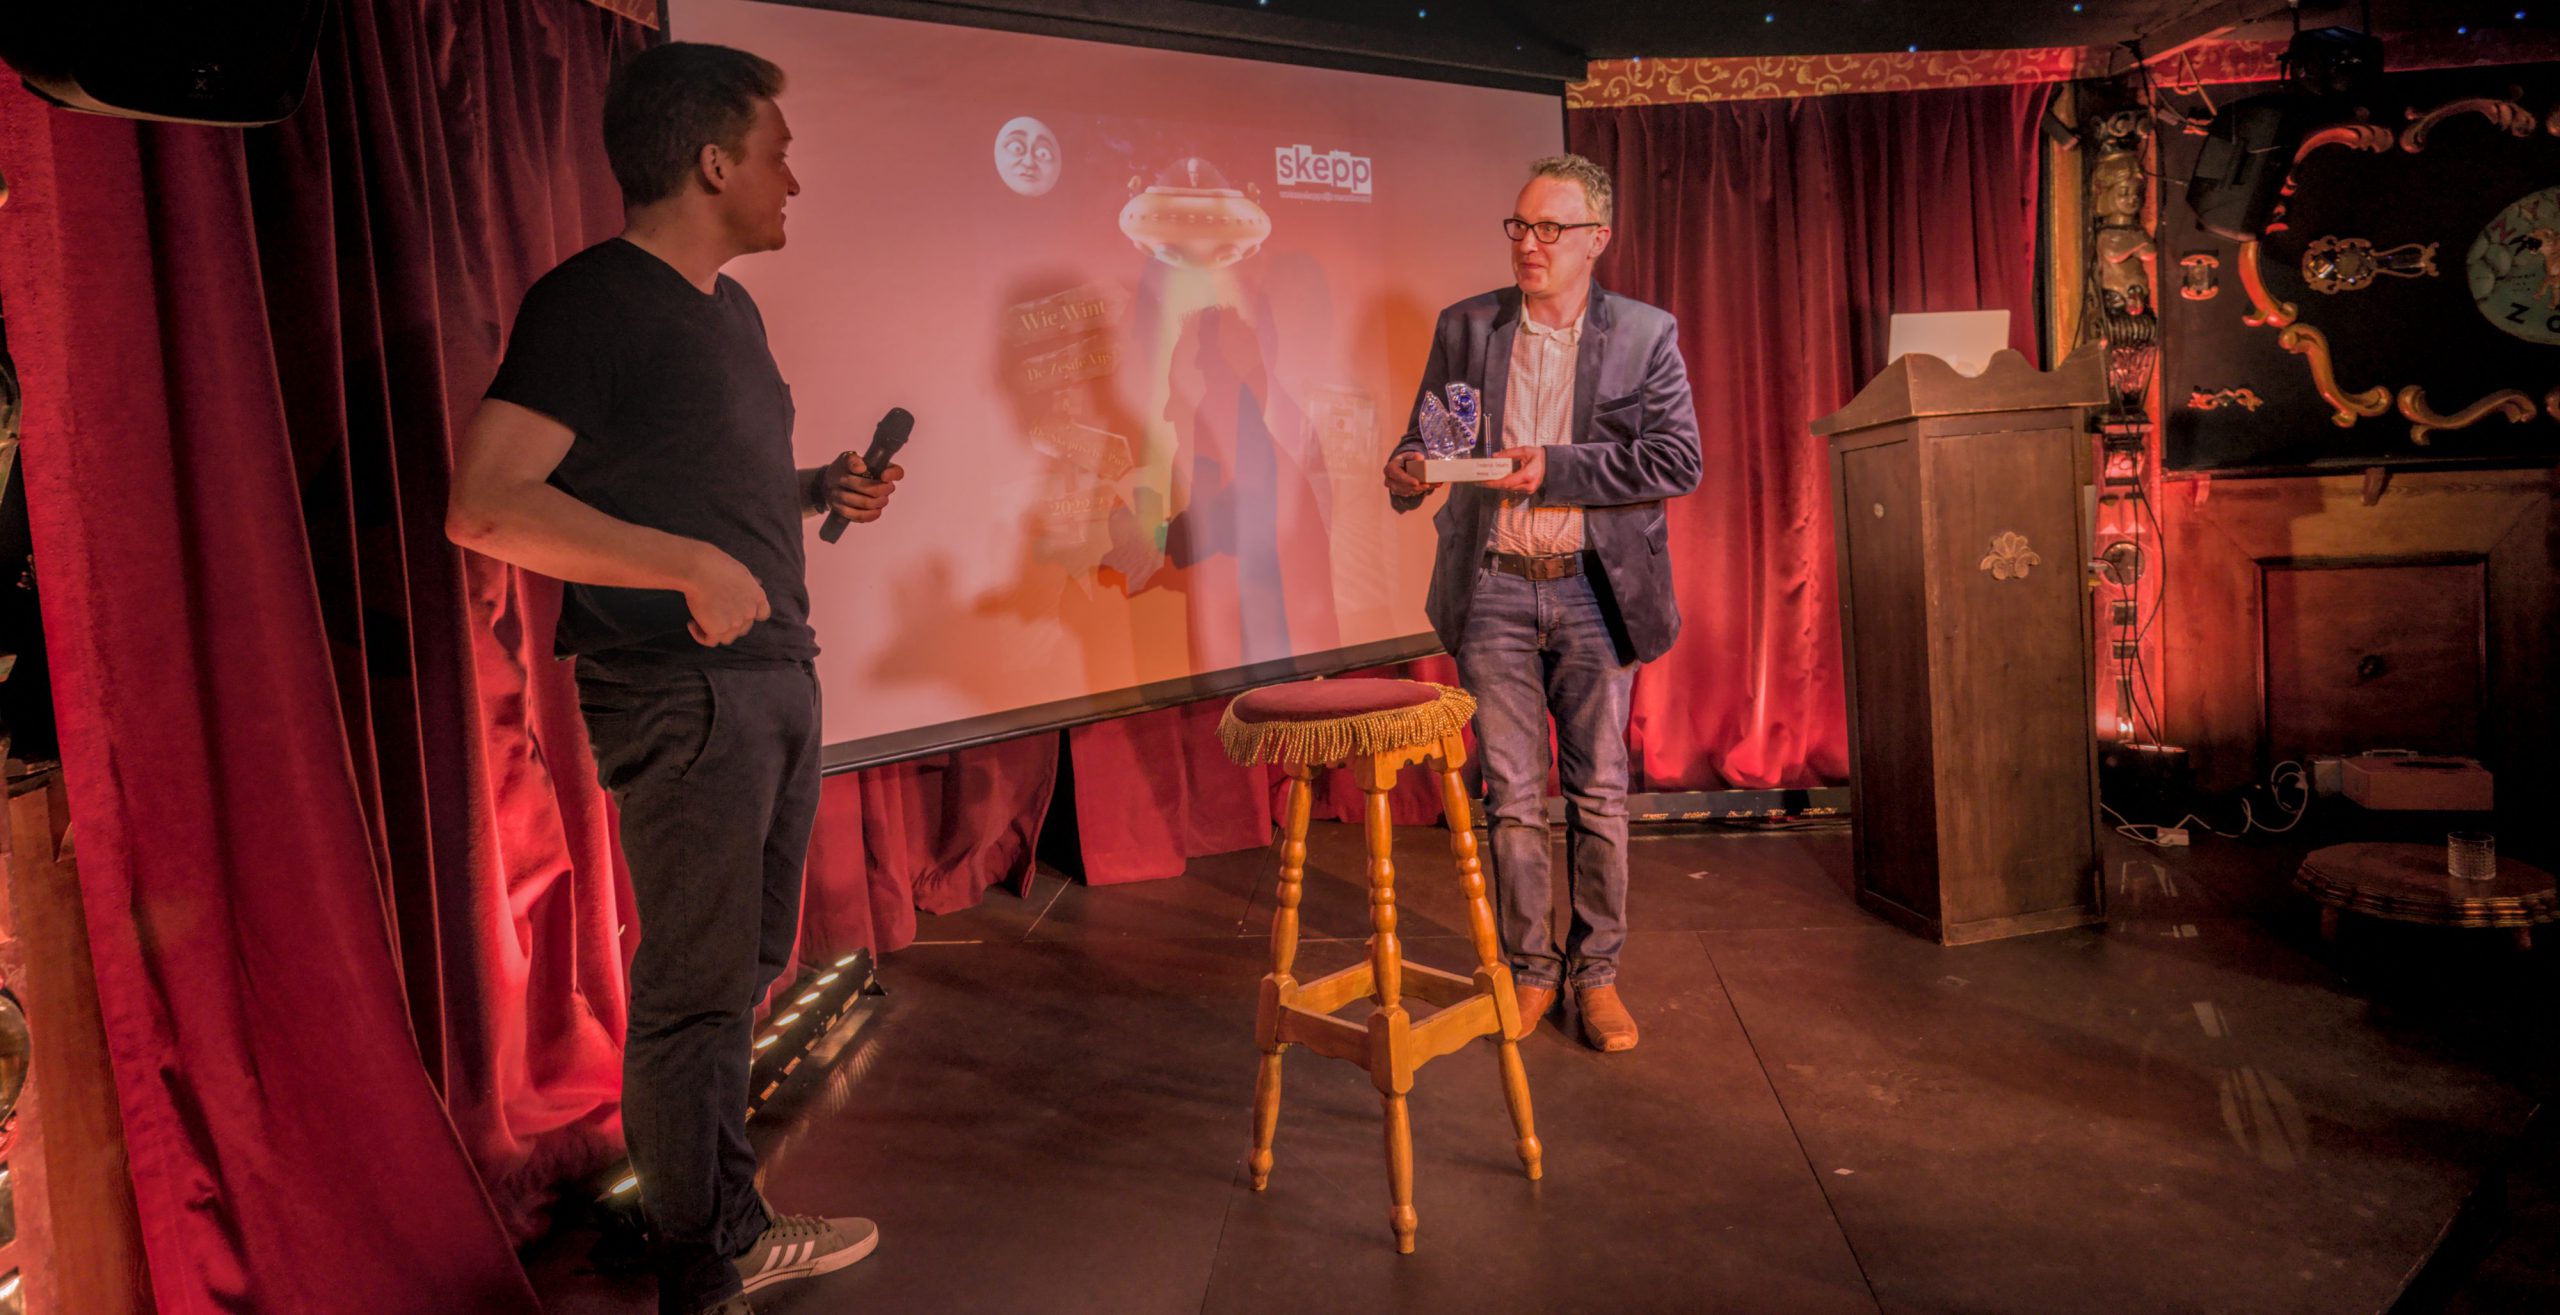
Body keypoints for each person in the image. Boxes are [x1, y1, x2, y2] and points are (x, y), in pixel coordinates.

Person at [446, 43, 897, 1315]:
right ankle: (706, 1262)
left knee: (732, 974)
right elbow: (483, 504)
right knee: (693, 992)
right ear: (712, 162)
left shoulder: (729, 311)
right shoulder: (591, 301)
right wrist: (688, 563)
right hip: (683, 695)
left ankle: (720, 1223)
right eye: (775, 153)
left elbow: (691, 481)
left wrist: (817, 494)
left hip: (764, 681)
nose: (792, 180)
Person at [1383, 154, 1701, 1054]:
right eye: (1519, 227)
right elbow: (1432, 437)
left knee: (1598, 794)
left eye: (1550, 229)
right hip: (1493, 590)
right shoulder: (1468, 325)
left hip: (1597, 595)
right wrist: (1409, 471)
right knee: (1512, 796)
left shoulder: (1644, 334)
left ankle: (1595, 977)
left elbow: (1677, 461)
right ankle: (1530, 971)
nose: (1530, 245)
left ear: (1597, 239)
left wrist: (1553, 468)